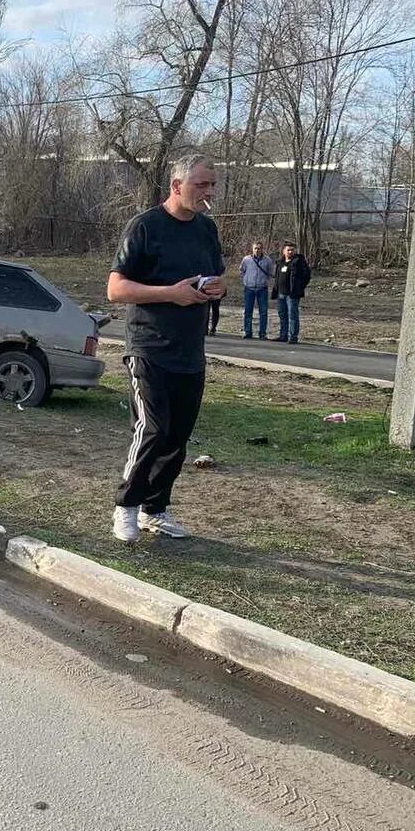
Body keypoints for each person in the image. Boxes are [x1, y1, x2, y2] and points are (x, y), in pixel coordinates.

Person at [107, 153, 225, 541]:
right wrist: (169, 294)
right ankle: (126, 507)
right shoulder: (145, 226)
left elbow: (218, 277)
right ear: (177, 186)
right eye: (201, 184)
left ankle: (154, 510)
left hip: (190, 350)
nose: (209, 191)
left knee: (177, 437)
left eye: (212, 184)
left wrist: (217, 288)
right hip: (149, 347)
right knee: (153, 428)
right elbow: (115, 289)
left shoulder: (206, 230)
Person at [272, 241, 311, 343]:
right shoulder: (280, 262)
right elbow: (277, 277)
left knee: (292, 315)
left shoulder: (298, 261)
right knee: (282, 315)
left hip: (292, 294)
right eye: (288, 250)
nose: (290, 252)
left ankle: (293, 336)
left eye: (292, 250)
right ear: (283, 251)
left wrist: (299, 287)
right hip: (281, 293)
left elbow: (307, 276)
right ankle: (283, 335)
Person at [239, 240, 275, 339]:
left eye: (259, 248)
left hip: (262, 289)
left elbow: (270, 272)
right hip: (249, 288)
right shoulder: (246, 259)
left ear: (262, 249)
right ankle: (247, 332)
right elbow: (242, 271)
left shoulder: (267, 260)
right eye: (255, 248)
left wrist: (264, 282)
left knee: (263, 312)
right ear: (252, 249)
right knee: (248, 311)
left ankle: (262, 333)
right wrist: (246, 280)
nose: (257, 250)